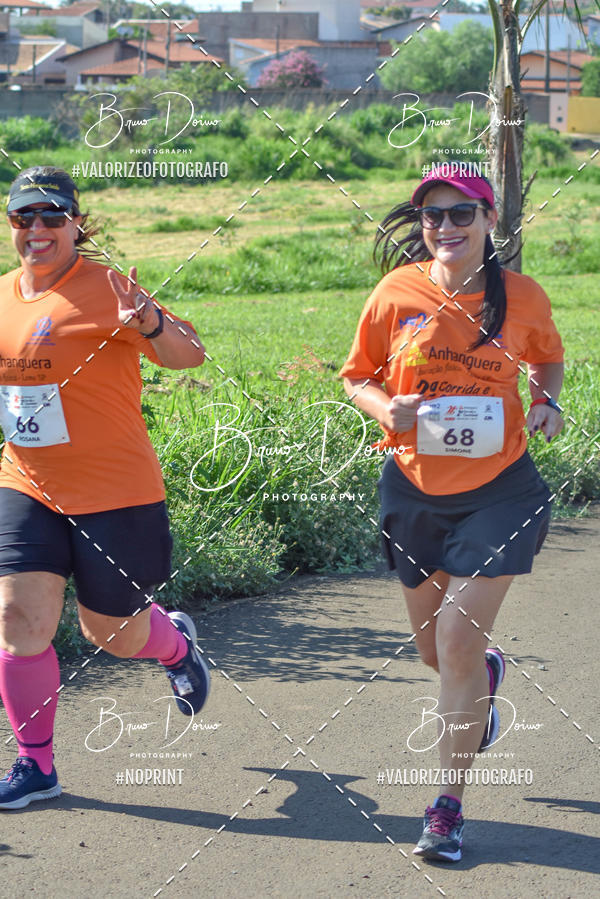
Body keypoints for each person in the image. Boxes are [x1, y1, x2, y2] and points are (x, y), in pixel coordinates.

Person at [341, 165, 564, 862]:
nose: (445, 226)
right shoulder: (396, 293)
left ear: (490, 221)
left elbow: (547, 359)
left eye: (461, 214)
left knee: (457, 641)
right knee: (434, 653)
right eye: (433, 215)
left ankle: (446, 809)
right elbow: (356, 376)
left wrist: (546, 401)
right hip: (413, 491)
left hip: (501, 492)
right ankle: (483, 679)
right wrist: (387, 408)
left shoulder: (522, 296)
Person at [0, 166, 210, 810]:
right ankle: (36, 767)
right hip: (27, 483)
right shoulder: (3, 294)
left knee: (111, 634)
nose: (37, 228)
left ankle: (174, 645)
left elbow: (190, 354)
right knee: (18, 621)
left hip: (117, 493)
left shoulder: (109, 289)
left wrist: (149, 324)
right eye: (23, 216)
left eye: (52, 215)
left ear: (77, 224)